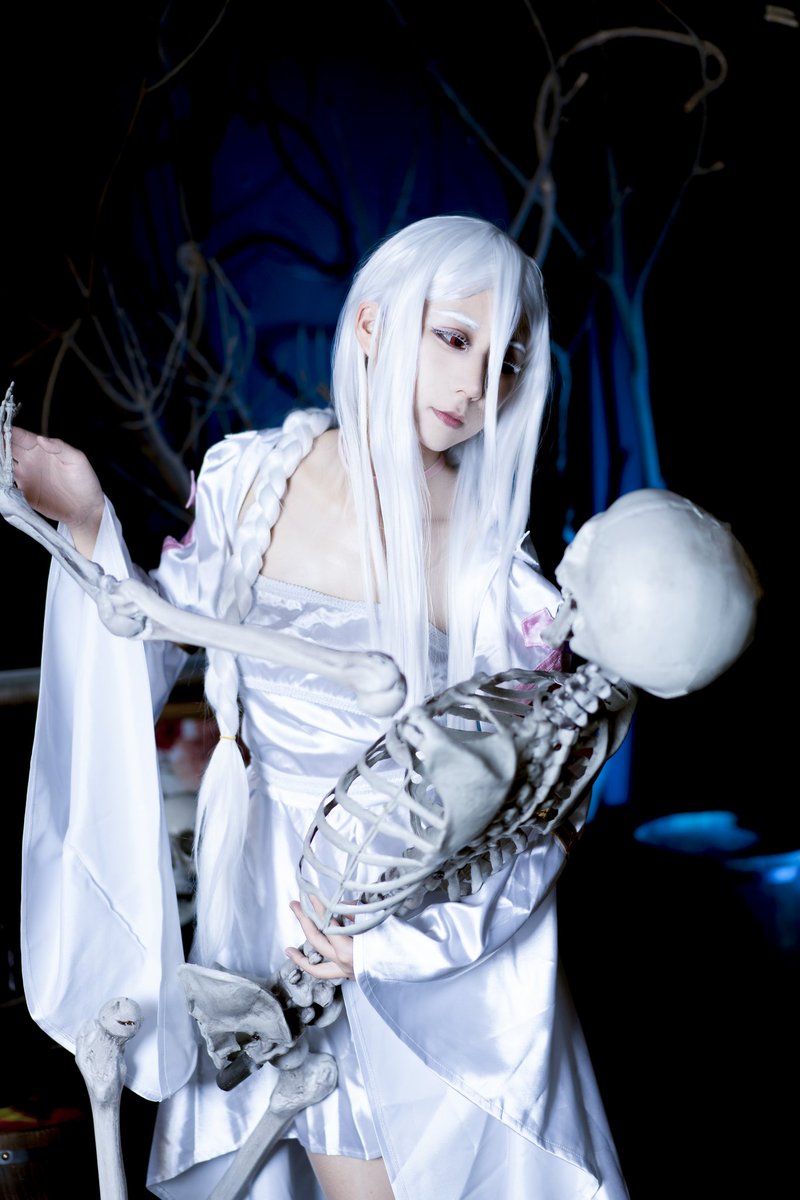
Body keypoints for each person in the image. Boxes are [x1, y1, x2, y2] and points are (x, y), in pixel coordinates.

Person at [12, 215, 630, 1198]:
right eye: (454, 338)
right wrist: (88, 521)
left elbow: (538, 825)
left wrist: (389, 945)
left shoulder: (497, 576)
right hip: (261, 900)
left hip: (402, 939)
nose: (475, 386)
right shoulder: (251, 481)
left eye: (506, 362)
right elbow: (149, 643)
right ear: (374, 322)